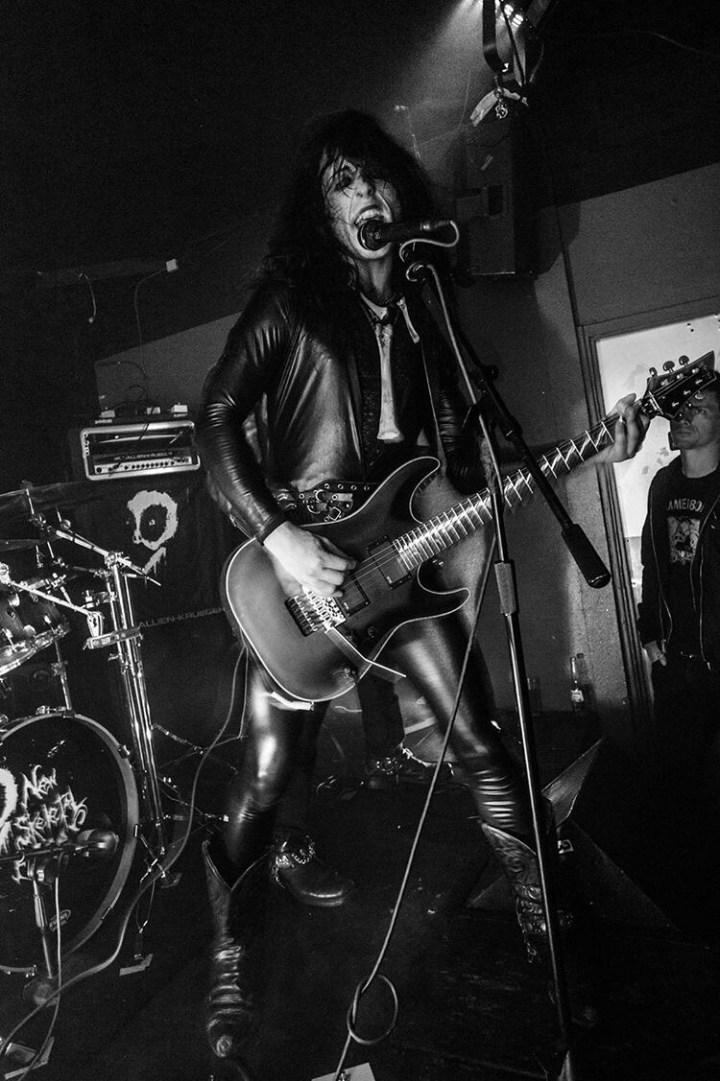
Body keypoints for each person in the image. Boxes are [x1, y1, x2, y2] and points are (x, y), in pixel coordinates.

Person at [195, 108, 645, 1068]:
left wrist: (578, 458)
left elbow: (456, 464)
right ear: (322, 213)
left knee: (482, 739)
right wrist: (278, 534)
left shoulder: (426, 305)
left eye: (374, 178)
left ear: (398, 191)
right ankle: (229, 952)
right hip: (307, 573)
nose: (365, 194)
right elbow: (217, 415)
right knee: (268, 777)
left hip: (402, 570)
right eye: (342, 184)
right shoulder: (290, 303)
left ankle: (548, 933)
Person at [636, 376, 720, 917]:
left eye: (701, 407)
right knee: (677, 796)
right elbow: (652, 563)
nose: (683, 414)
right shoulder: (664, 484)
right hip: (678, 665)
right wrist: (649, 637)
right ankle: (693, 915)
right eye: (681, 406)